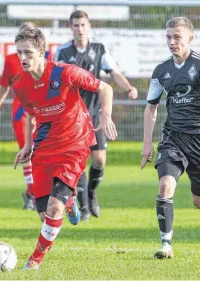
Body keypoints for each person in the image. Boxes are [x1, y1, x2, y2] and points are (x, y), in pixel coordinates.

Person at [12, 27, 117, 270]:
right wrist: (28, 144)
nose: (23, 58)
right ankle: (69, 201)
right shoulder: (20, 83)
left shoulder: (65, 72)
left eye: (28, 52)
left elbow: (105, 88)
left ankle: (34, 260)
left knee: (53, 207)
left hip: (75, 144)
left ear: (42, 52)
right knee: (44, 216)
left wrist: (106, 117)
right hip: (44, 147)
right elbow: (30, 114)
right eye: (19, 53)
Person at [141, 17, 200, 259]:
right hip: (173, 138)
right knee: (165, 185)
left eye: (177, 37)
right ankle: (166, 244)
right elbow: (151, 108)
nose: (172, 42)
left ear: (190, 38)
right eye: (168, 37)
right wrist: (147, 144)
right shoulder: (161, 70)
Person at [54, 10, 138, 220]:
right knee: (79, 160)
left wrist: (128, 88)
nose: (80, 29)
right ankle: (83, 206)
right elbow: (53, 80)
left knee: (99, 160)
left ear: (88, 26)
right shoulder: (63, 52)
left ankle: (91, 194)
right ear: (70, 27)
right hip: (72, 116)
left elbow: (114, 72)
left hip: (94, 113)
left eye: (83, 25)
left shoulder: (99, 49)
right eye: (76, 26)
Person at [0, 22, 53, 211]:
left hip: (44, 110)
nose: (24, 56)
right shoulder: (11, 60)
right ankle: (33, 193)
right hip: (21, 112)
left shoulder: (46, 57)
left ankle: (48, 192)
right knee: (27, 152)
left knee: (46, 154)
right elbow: (3, 86)